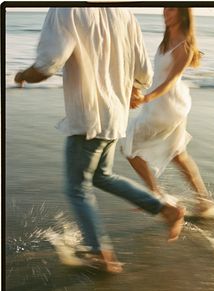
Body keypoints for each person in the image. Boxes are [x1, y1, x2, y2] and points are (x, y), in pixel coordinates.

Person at [15, 7, 185, 273]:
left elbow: (48, 65)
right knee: (102, 176)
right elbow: (143, 74)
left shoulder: (66, 9)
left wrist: (22, 74)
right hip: (115, 116)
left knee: (76, 187)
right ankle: (165, 209)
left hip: (88, 118)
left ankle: (101, 254)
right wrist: (130, 86)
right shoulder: (125, 15)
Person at [122, 7, 214, 217]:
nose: (166, 12)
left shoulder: (184, 45)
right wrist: (136, 85)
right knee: (178, 154)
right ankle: (204, 201)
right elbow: (156, 74)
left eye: (172, 8)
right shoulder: (166, 39)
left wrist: (147, 97)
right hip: (162, 103)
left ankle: (156, 195)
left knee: (129, 147)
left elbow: (169, 81)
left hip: (166, 106)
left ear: (183, 13)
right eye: (165, 7)